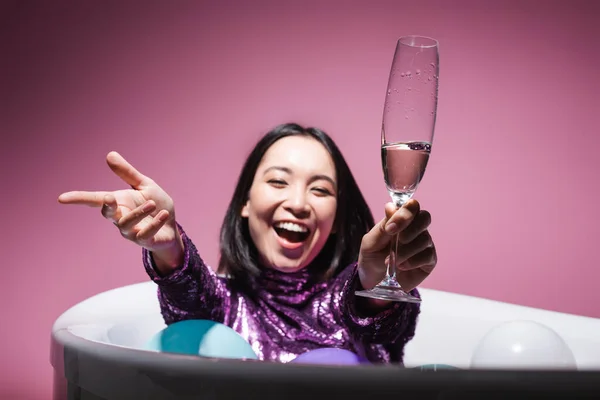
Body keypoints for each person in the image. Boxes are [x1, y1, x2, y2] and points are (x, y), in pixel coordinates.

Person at [58, 123, 437, 364]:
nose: (298, 203)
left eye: (320, 189)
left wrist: (376, 287)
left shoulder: (346, 304)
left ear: (337, 220)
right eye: (277, 181)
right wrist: (168, 246)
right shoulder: (223, 305)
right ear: (245, 202)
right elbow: (192, 301)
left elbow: (380, 325)